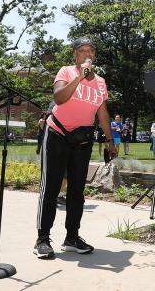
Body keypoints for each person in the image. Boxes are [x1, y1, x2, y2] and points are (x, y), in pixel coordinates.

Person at [35, 37, 117, 259]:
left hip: (81, 141)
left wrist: (111, 141)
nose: (86, 53)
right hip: (57, 135)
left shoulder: (100, 82)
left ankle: (72, 237)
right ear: (75, 55)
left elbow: (102, 113)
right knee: (51, 188)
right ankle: (42, 239)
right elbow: (59, 99)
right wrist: (80, 77)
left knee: (76, 192)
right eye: (82, 50)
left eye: (90, 50)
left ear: (95, 56)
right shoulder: (66, 72)